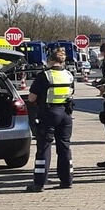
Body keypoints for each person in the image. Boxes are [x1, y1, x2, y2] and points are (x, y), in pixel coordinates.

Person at [26, 48, 75, 192]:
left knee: (44, 147)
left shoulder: (45, 76)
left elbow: (31, 98)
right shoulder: (69, 75)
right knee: (64, 147)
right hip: (66, 114)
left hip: (49, 113)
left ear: (50, 60)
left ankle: (39, 183)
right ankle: (67, 180)